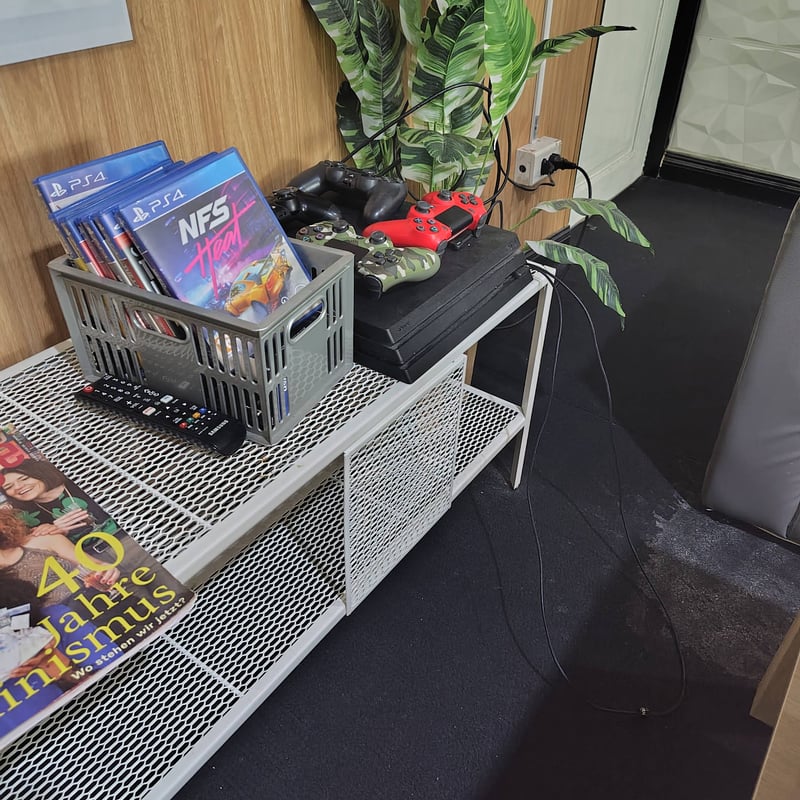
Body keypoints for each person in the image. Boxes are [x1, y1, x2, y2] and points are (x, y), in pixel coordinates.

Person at [0, 459, 116, 542]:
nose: (18, 487)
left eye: (24, 478)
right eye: (9, 487)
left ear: (39, 474)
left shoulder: (80, 480)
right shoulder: (23, 516)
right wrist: (54, 533)